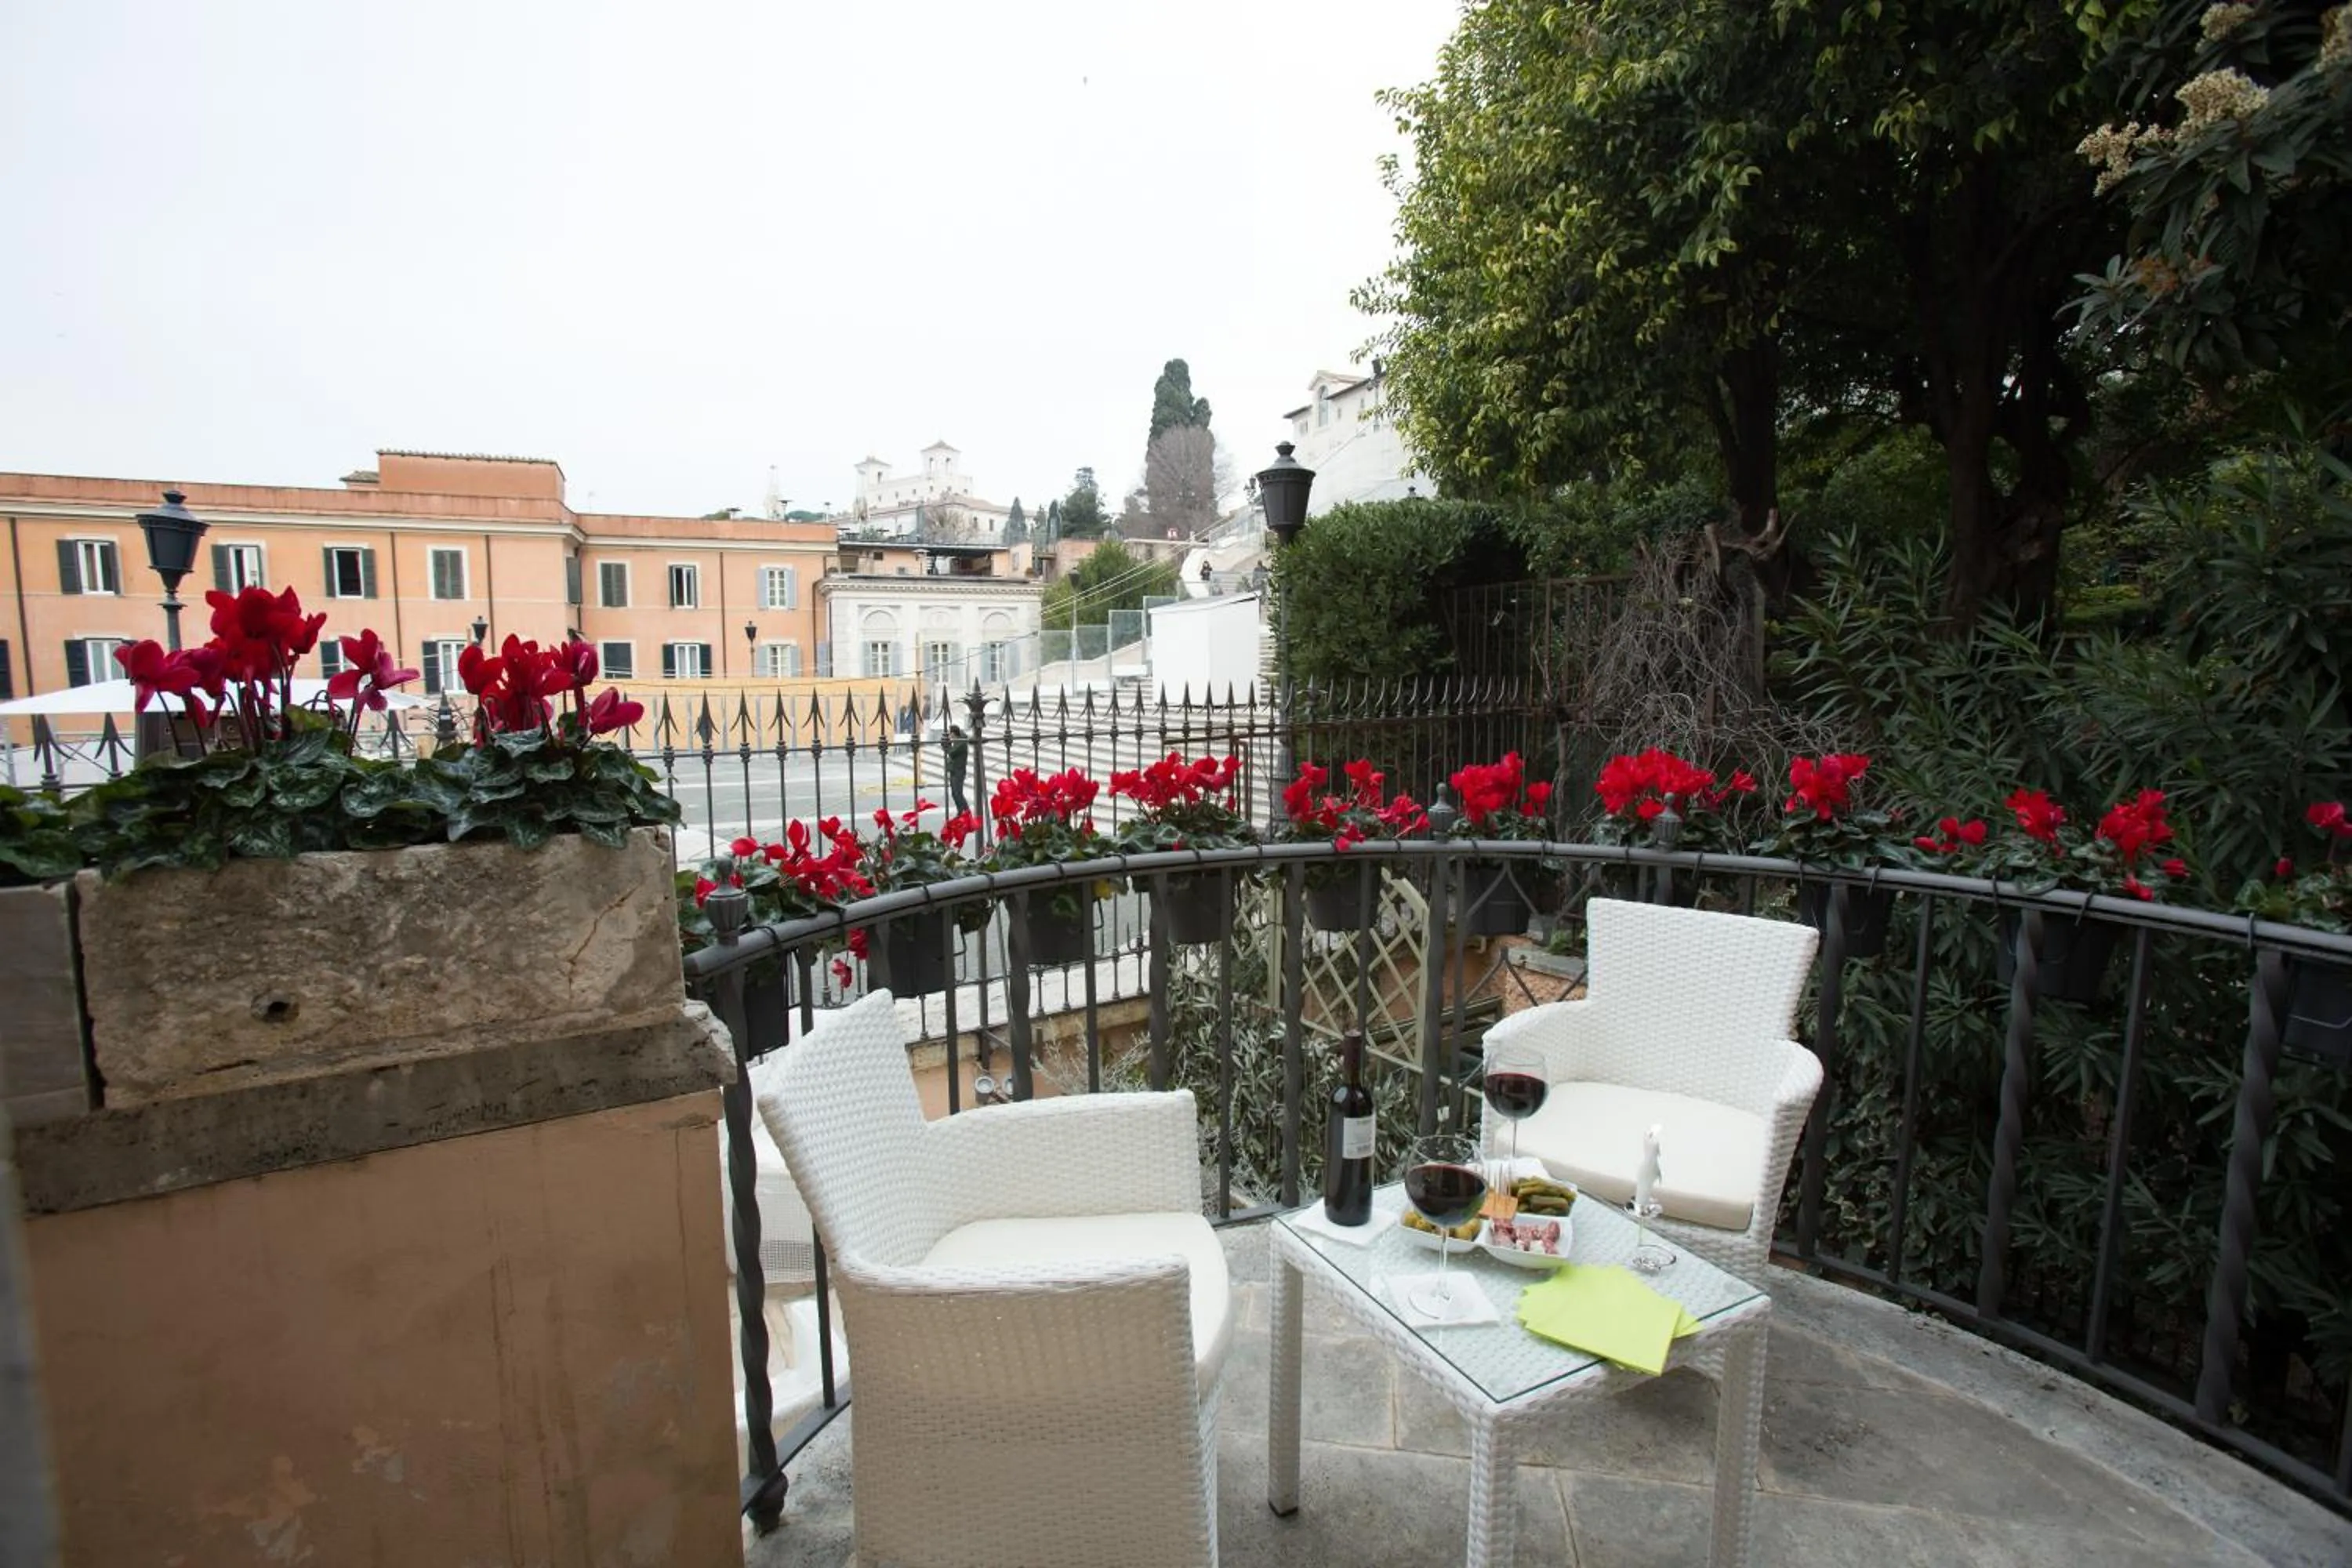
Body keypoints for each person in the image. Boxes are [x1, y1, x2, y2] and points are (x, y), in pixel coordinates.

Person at [945, 724, 971, 817]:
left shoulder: (961, 743)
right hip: (954, 770)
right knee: (954, 793)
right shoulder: (957, 740)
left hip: (959, 771)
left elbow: (952, 752)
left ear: (954, 733)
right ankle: (960, 811)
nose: (949, 736)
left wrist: (946, 746)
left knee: (958, 793)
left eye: (950, 734)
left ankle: (967, 812)